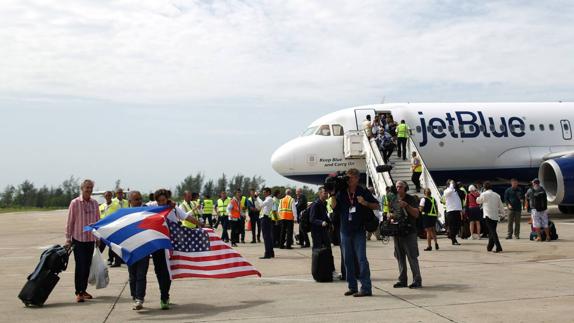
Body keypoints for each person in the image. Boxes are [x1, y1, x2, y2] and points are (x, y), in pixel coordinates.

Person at [331, 168, 379, 297]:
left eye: (351, 177)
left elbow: (377, 205)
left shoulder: (362, 191)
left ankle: (366, 288)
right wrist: (333, 195)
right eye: (347, 177)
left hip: (358, 230)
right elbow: (334, 207)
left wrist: (365, 202)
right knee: (347, 260)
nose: (348, 180)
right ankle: (352, 286)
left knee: (362, 259)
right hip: (345, 231)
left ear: (357, 179)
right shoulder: (341, 192)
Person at [152, 188, 203, 309]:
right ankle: (163, 293)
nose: (161, 203)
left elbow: (186, 217)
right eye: (159, 201)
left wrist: (201, 225)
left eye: (163, 200)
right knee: (159, 271)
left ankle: (164, 296)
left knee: (168, 272)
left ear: (167, 199)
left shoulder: (173, 208)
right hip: (156, 245)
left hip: (170, 245)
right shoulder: (152, 208)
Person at [64, 179, 100, 303]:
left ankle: (83, 290)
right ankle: (78, 292)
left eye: (91, 188)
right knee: (80, 266)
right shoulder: (75, 203)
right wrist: (68, 239)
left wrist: (98, 237)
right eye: (87, 188)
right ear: (82, 188)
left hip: (90, 239)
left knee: (87, 266)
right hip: (78, 239)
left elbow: (97, 221)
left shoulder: (95, 203)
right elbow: (70, 222)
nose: (89, 190)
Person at [391, 181, 422, 288]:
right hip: (398, 232)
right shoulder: (394, 199)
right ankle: (402, 280)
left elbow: (416, 214)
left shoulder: (411, 199)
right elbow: (395, 213)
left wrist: (407, 206)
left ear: (405, 188)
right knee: (399, 257)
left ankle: (417, 280)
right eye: (397, 187)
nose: (398, 188)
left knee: (412, 257)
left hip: (409, 232)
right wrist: (391, 217)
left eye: (400, 187)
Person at [127, 190, 148, 310]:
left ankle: (140, 298)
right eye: (136, 199)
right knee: (132, 275)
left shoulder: (146, 211)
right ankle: (134, 296)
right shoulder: (124, 214)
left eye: (140, 198)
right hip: (129, 248)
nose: (139, 201)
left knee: (141, 275)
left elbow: (160, 206)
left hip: (143, 248)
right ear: (130, 202)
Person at [476, 182, 504, 253]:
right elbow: (500, 206)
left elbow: (478, 201)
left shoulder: (484, 194)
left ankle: (498, 247)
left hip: (488, 215)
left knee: (493, 232)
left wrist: (478, 196)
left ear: (484, 188)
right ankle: (489, 247)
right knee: (492, 231)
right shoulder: (497, 195)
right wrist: (503, 214)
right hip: (495, 215)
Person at [98, 191, 121, 266]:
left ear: (111, 196)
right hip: (103, 229)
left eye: (109, 195)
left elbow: (119, 216)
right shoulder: (101, 206)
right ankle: (97, 260)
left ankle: (117, 262)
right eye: (106, 196)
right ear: (104, 197)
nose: (108, 197)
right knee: (101, 246)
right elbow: (99, 217)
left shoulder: (116, 205)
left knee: (113, 246)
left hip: (113, 229)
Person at [257, 188, 275, 259]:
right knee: (268, 237)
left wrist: (257, 197)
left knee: (266, 237)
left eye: (264, 192)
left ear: (268, 192)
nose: (263, 193)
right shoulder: (267, 199)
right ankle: (271, 252)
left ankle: (267, 253)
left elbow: (261, 205)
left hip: (265, 219)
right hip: (265, 218)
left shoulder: (269, 199)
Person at [444, 180, 463, 245]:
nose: (454, 184)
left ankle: (452, 237)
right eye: (452, 183)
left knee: (458, 225)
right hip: (451, 211)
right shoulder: (446, 191)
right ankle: (453, 240)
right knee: (452, 226)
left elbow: (461, 194)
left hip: (457, 210)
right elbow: (449, 191)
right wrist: (451, 185)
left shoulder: (455, 191)